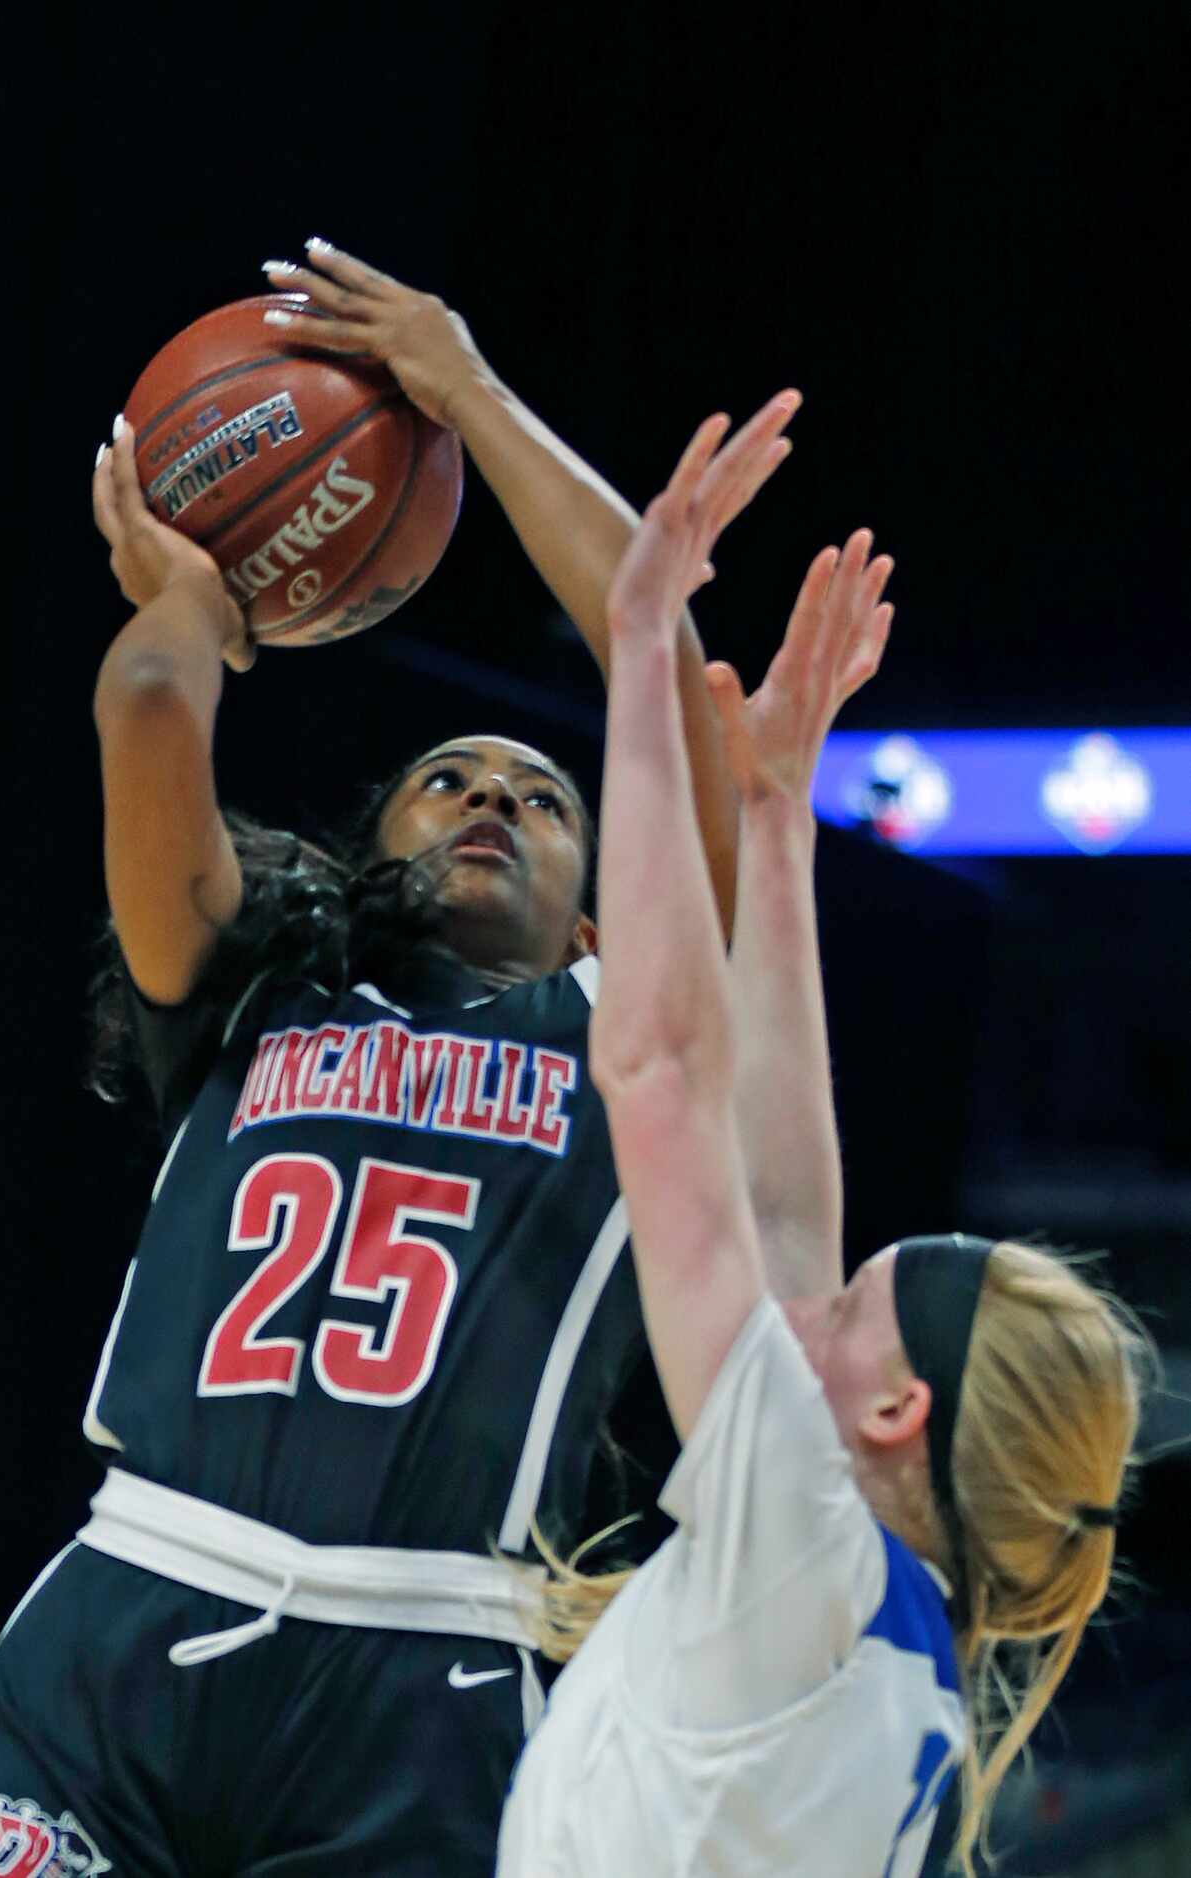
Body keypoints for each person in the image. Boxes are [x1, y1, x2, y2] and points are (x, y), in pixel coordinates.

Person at [0, 245, 798, 1878]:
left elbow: (669, 680)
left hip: (430, 1681)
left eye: (540, 798)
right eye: (447, 778)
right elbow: (150, 707)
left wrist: (462, 389)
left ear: (606, 915)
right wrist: (191, 596)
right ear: (371, 841)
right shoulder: (248, 993)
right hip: (127, 1622)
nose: (489, 800)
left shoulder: (623, 1037)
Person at [495, 425, 1150, 1876]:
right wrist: (776, 816)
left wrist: (642, 652)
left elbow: (658, 1069)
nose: (816, 1290)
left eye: (853, 1305)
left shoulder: (802, 1544)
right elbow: (785, 1207)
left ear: (893, 1411)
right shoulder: (878, 1607)